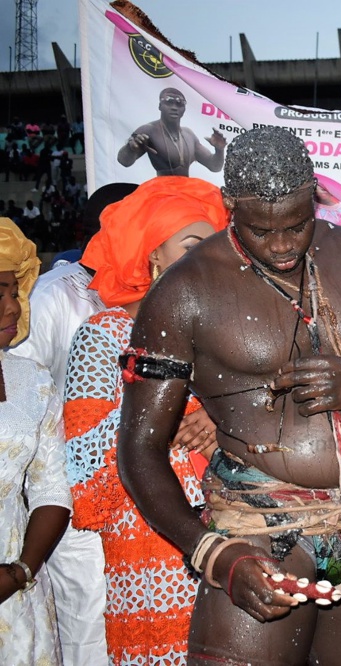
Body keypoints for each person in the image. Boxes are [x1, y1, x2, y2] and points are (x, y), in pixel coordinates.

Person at [115, 126, 341, 665]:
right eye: (262, 230)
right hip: (258, 533)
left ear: (314, 196)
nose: (283, 245)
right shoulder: (184, 292)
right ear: (229, 205)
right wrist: (216, 556)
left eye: (298, 224)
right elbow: (139, 451)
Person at [65, 177, 229, 664]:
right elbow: (87, 474)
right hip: (150, 543)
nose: (207, 262)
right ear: (151, 254)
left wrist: (220, 427)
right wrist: (166, 421)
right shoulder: (104, 337)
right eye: (192, 246)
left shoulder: (221, 336)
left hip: (235, 533)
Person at [10, 182, 137, 665]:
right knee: (87, 634)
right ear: (101, 232)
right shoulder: (53, 297)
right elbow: (20, 400)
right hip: (72, 503)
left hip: (135, 497)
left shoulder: (144, 296)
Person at [0, 218, 72, 666]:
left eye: (13, 292)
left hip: (18, 587)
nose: (11, 308)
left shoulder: (33, 381)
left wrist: (22, 570)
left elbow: (51, 490)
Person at [117, 87, 227, 177]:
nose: (174, 107)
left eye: (179, 104)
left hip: (187, 192)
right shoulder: (149, 130)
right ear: (160, 106)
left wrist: (219, 149)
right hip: (162, 194)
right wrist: (130, 148)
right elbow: (124, 161)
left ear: (184, 109)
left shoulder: (189, 134)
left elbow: (214, 166)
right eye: (169, 102)